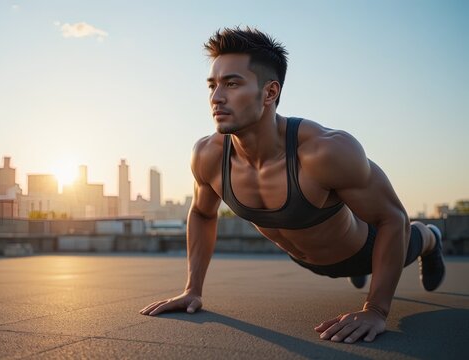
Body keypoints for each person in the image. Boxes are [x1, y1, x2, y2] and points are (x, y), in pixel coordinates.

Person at [139, 27, 446, 344]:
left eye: (231, 84)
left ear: (270, 93)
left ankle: (430, 238)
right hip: (307, 257)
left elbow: (392, 218)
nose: (216, 97)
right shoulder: (208, 155)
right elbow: (202, 214)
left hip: (364, 249)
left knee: (412, 234)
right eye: (212, 85)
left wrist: (376, 310)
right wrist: (193, 289)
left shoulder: (325, 151)